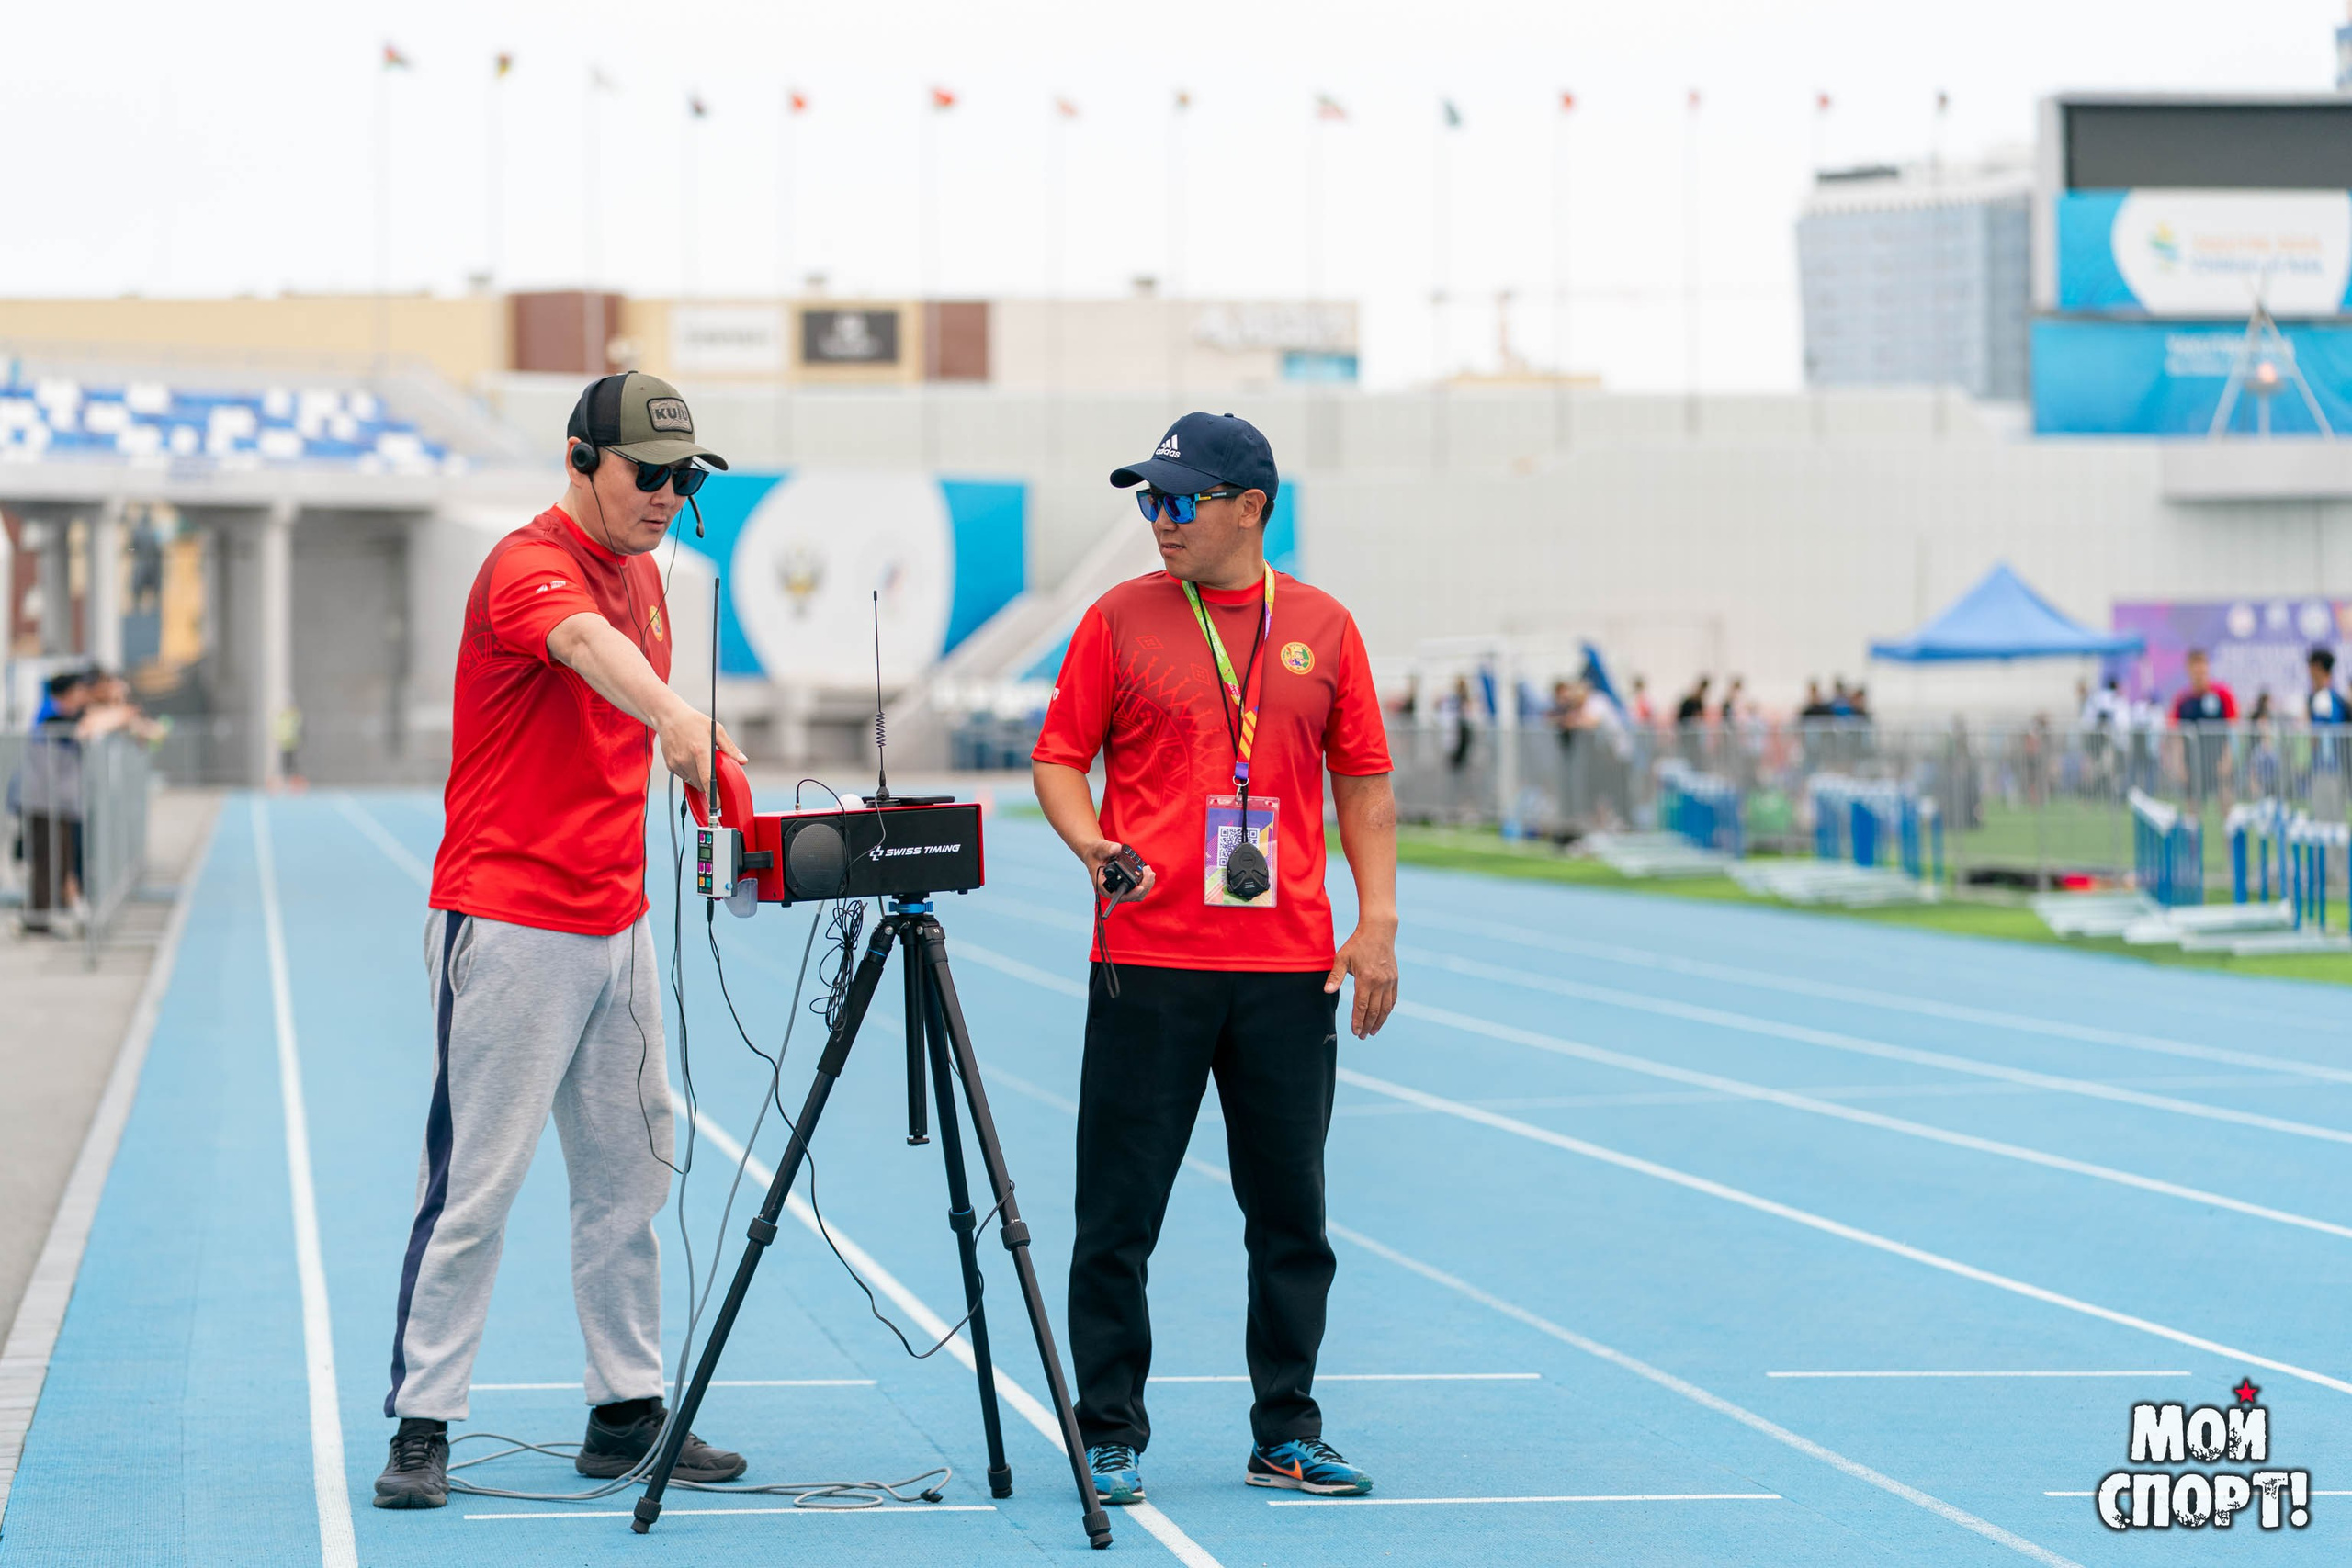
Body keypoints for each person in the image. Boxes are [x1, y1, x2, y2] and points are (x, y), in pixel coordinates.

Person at [372, 373, 750, 1510]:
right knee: (476, 1185)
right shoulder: (526, 565)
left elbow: (627, 710)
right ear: (582, 457)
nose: (670, 497)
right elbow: (585, 648)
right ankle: (424, 1421)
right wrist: (679, 714)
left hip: (615, 920)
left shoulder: (650, 576)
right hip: (508, 919)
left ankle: (625, 1406)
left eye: (687, 478)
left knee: (631, 1176)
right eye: (649, 473)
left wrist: (700, 772)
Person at [1032, 411, 1398, 1506]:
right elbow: (1059, 759)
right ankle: (1108, 1432)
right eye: (1150, 500)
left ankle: (1286, 1429)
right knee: (1118, 1215)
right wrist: (1094, 842)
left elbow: (1364, 784)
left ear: (1251, 508)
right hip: (1146, 958)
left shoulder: (1323, 628)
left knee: (1291, 1217)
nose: (1160, 519)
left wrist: (1376, 921)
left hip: (1289, 971)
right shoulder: (1118, 618)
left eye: (1180, 500)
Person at [2170, 648, 2237, 805]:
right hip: (2192, 762)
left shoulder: (2222, 694)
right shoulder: (2182, 700)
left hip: (2218, 759)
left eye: (2202, 665)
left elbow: (2231, 729)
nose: (2199, 670)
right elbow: (2178, 735)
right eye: (2195, 666)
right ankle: (2192, 829)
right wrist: (2179, 764)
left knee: (2226, 801)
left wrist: (2228, 758)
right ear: (2188, 669)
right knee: (2192, 805)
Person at [2308, 647, 2348, 818]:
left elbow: (2316, 737)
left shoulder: (2322, 698)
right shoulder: (2336, 698)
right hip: (2339, 767)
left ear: (2317, 667)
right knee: (2336, 819)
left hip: (2326, 768)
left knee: (2327, 822)